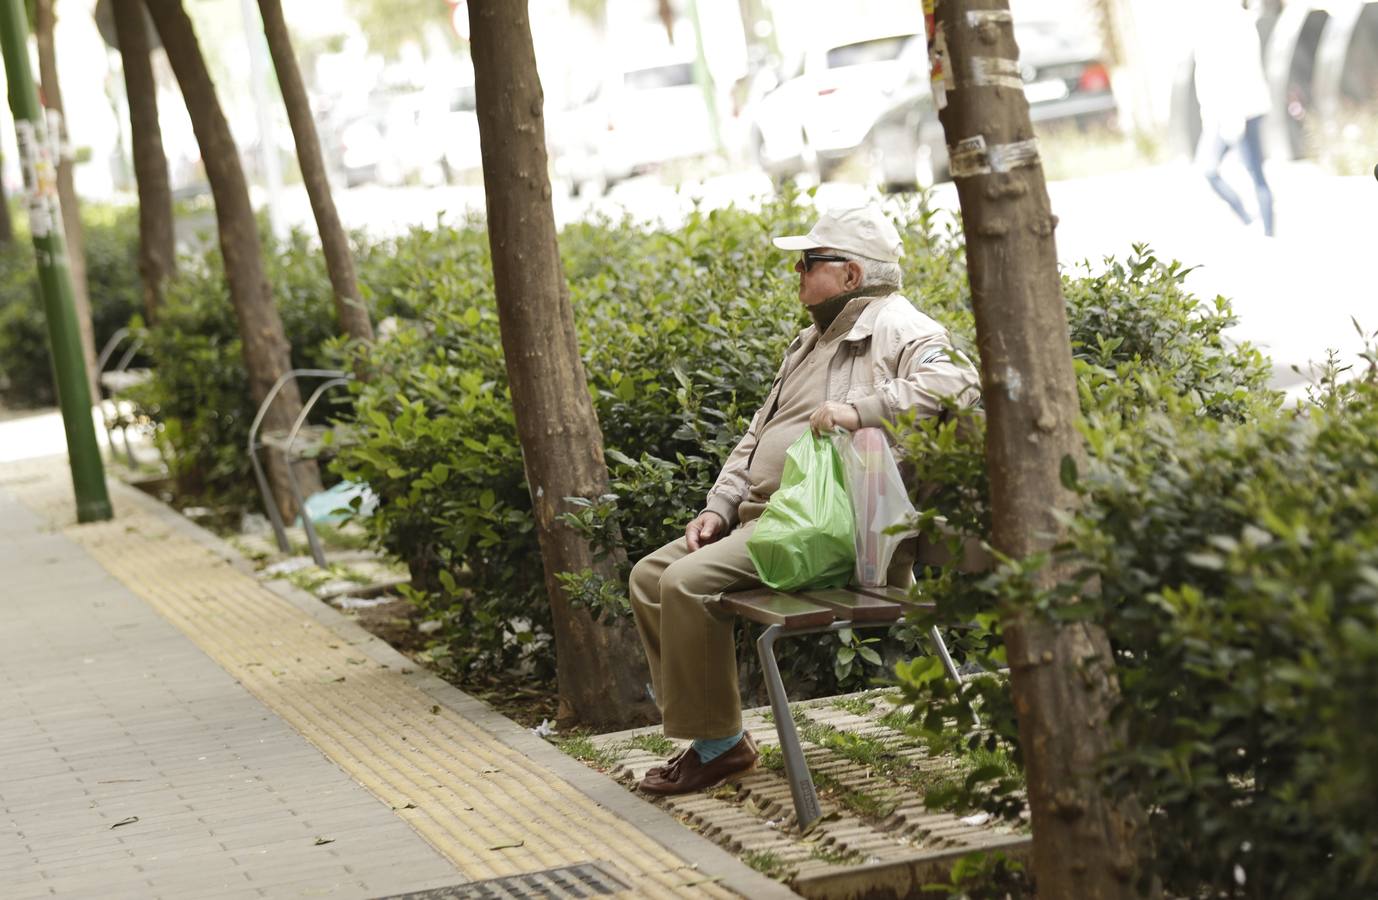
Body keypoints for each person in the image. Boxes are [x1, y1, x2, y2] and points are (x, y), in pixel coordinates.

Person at [629, 205, 980, 795]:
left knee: (685, 583)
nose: (796, 269)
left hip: (833, 534)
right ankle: (717, 736)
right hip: (770, 522)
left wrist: (860, 409)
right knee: (649, 576)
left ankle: (719, 749)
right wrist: (718, 505)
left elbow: (959, 383)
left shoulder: (898, 326)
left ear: (849, 274)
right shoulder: (811, 340)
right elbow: (757, 436)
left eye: (810, 261)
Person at [1194, 0, 1275, 236]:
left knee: (1256, 173)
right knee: (1209, 169)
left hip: (1242, 111)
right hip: (1221, 114)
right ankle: (1250, 220)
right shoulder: (1213, 24)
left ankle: (1268, 232)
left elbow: (1239, 74)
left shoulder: (1236, 23)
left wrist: (1234, 117)